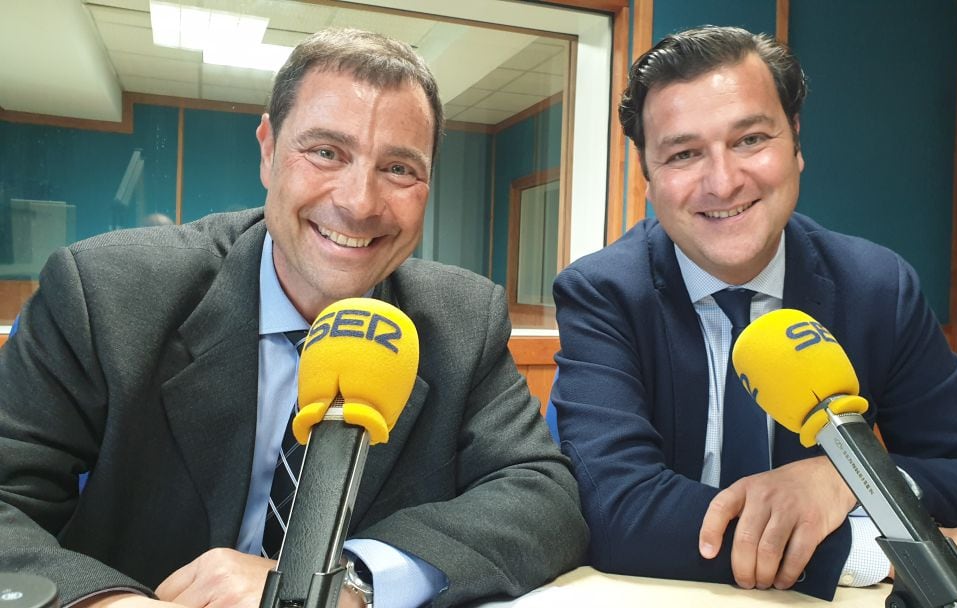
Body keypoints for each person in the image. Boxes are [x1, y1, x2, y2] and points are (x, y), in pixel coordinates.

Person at [0, 28, 587, 608]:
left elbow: (542, 498)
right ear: (268, 149)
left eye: (400, 168)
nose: (359, 203)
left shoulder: (462, 320)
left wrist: (347, 581)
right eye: (327, 152)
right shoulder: (108, 292)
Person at [551, 25, 957, 603]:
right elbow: (618, 511)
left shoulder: (876, 286)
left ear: (795, 142)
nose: (723, 181)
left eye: (750, 139)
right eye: (684, 153)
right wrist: (875, 550)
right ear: (648, 175)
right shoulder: (604, 292)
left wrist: (850, 479)